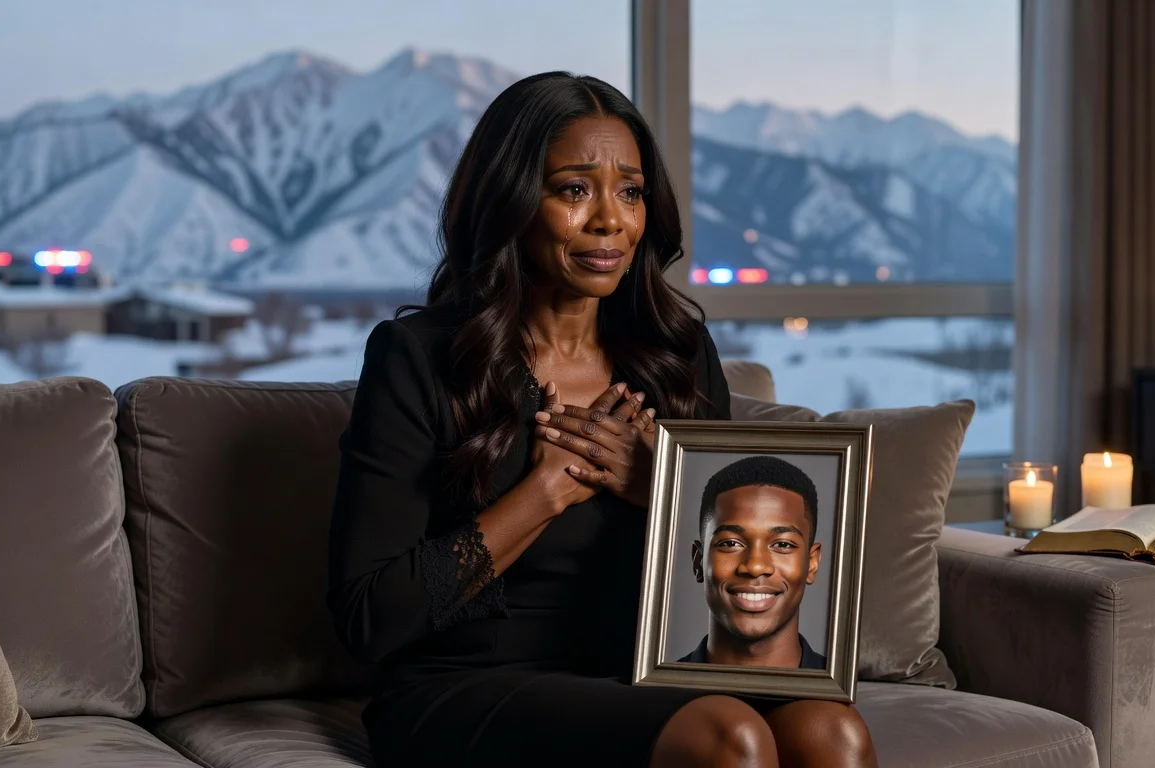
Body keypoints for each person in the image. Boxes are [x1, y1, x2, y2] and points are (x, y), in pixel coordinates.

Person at [327, 71, 876, 768]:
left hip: (640, 671)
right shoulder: (418, 357)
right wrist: (544, 492)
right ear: (510, 200)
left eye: (631, 192)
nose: (610, 219)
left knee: (833, 731)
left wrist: (664, 491)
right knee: (728, 736)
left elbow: (720, 593)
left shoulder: (676, 354)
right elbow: (369, 615)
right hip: (466, 684)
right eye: (574, 190)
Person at [679, 456, 827, 670]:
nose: (756, 566)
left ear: (811, 564)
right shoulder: (654, 686)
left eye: (783, 544)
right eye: (731, 543)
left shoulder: (845, 686)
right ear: (698, 561)